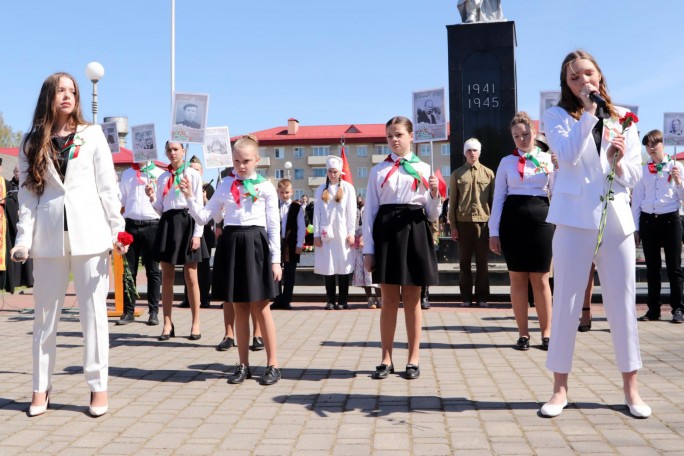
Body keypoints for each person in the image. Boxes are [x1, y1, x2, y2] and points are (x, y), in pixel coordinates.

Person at [541, 50, 650, 418]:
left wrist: (619, 162)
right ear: (567, 85)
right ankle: (559, 390)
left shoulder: (625, 119)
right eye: (574, 77)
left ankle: (631, 389)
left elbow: (634, 175)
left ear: (599, 75)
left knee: (622, 305)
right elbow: (568, 155)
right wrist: (589, 113)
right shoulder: (556, 117)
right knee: (567, 306)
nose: (583, 81)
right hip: (573, 220)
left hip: (616, 220)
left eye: (588, 73)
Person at [12, 72, 125, 417]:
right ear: (49, 96)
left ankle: (97, 387)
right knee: (45, 318)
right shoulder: (32, 142)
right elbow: (28, 196)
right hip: (47, 239)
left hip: (90, 235)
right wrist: (22, 240)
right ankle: (41, 387)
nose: (68, 95)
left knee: (93, 316)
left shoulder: (92, 136)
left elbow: (107, 186)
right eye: (61, 90)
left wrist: (117, 230)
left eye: (72, 90)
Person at [179, 134, 282, 385]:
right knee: (239, 307)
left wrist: (276, 259)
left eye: (246, 160)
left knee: (261, 307)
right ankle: (243, 364)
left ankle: (273, 365)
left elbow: (273, 226)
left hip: (256, 245)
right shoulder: (225, 184)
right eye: (236, 161)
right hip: (232, 243)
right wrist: (190, 196)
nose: (241, 166)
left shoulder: (266, 187)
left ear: (257, 160)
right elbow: (204, 217)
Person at [363, 116, 441, 380]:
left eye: (398, 134)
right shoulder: (378, 171)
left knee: (412, 300)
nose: (394, 140)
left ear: (410, 137)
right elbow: (370, 212)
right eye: (389, 136)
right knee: (387, 300)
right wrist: (369, 250)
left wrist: (434, 194)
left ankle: (413, 358)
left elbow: (431, 215)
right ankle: (386, 358)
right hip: (386, 234)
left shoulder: (424, 167)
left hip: (415, 232)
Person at [489, 112, 555, 351]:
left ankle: (547, 334)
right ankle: (523, 334)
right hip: (512, 220)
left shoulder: (549, 160)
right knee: (517, 277)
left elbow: (556, 194)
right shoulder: (506, 162)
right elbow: (498, 197)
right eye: (516, 136)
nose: (522, 139)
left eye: (526, 134)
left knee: (540, 278)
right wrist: (493, 231)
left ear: (534, 133)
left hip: (542, 218)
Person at [145, 142, 208, 341]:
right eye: (169, 150)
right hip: (168, 224)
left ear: (183, 151)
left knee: (191, 276)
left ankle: (196, 323)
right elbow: (161, 208)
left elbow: (198, 205)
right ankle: (167, 323)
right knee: (167, 277)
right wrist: (152, 197)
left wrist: (197, 233)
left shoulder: (193, 175)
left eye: (176, 149)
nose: (172, 153)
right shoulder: (163, 177)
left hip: (188, 222)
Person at [632, 129, 684, 324]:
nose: (651, 148)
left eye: (654, 144)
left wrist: (679, 181)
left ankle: (678, 308)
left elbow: (683, 198)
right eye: (648, 145)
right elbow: (637, 200)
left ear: (663, 144)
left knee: (674, 267)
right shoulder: (643, 170)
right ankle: (653, 309)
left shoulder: (676, 166)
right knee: (652, 268)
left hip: (670, 218)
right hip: (648, 220)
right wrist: (636, 228)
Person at [448, 138, 495, 307]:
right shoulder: (457, 174)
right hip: (463, 224)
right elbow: (452, 202)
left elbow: (493, 202)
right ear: (464, 152)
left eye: (475, 150)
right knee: (464, 263)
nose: (472, 153)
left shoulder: (489, 174)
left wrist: (494, 228)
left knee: (482, 263)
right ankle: (466, 297)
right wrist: (453, 226)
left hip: (483, 224)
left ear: (480, 152)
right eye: (469, 150)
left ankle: (482, 297)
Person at [117, 160, 163, 325]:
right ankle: (128, 311)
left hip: (152, 225)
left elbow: (162, 202)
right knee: (128, 271)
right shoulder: (128, 173)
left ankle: (153, 311)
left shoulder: (158, 173)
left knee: (153, 271)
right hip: (131, 224)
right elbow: (119, 199)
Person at [313, 156, 357, 310]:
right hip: (327, 234)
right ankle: (330, 300)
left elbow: (352, 213)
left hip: (343, 233)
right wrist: (316, 235)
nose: (332, 174)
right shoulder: (320, 189)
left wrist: (351, 232)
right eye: (330, 171)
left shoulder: (348, 188)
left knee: (343, 266)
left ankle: (343, 300)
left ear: (340, 172)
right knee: (328, 266)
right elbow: (317, 214)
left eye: (335, 171)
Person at [179, 156, 215, 309]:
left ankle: (205, 298)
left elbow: (214, 212)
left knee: (204, 266)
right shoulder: (184, 182)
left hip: (204, 230)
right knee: (188, 264)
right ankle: (189, 298)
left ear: (202, 171)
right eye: (191, 168)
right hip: (188, 228)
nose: (194, 171)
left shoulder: (209, 187)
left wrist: (205, 199)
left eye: (196, 169)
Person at [271, 178, 305, 310]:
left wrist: (299, 245)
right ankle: (277, 298)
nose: (284, 195)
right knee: (275, 270)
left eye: (287, 192)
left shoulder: (297, 207)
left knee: (290, 273)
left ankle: (287, 299)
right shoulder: (273, 205)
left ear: (292, 192)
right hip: (276, 242)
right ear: (277, 192)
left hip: (291, 244)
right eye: (281, 192)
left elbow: (301, 227)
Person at [3, 164, 33, 292]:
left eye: (20, 171)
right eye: (15, 171)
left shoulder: (28, 185)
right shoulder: (9, 187)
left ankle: (29, 280)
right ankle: (15, 281)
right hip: (12, 224)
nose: (17, 173)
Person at [352, 195, 381, 309]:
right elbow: (354, 242)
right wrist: (358, 241)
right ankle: (369, 299)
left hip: (375, 256)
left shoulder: (377, 227)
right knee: (366, 280)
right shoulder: (359, 229)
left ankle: (380, 298)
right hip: (362, 257)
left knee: (377, 279)